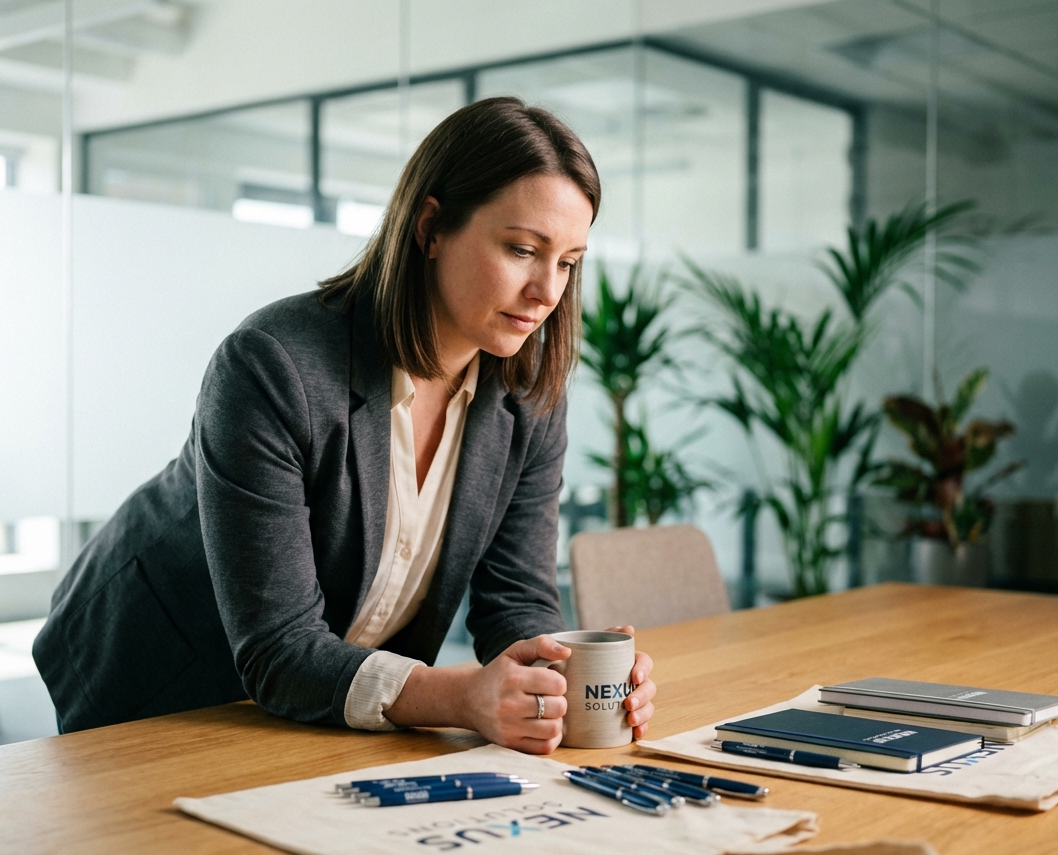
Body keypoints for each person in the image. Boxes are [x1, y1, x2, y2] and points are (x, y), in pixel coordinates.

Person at [33, 97, 655, 753]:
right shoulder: (273, 365)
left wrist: (569, 677)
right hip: (163, 676)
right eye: (523, 249)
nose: (546, 292)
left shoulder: (527, 397)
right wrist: (462, 698)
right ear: (431, 227)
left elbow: (516, 601)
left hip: (320, 702)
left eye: (568, 262)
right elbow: (278, 645)